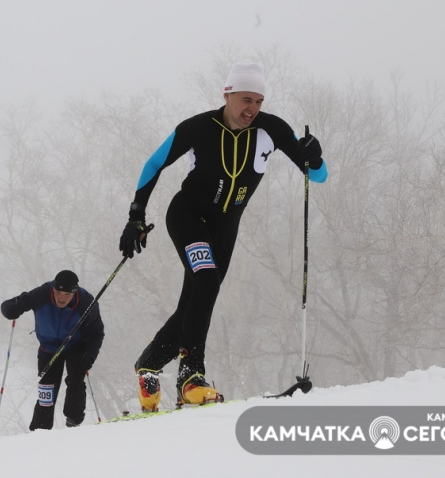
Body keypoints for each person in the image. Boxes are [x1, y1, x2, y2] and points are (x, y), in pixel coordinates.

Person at [118, 61, 328, 411]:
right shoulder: (199, 127)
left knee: (198, 298)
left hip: (225, 227)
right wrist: (135, 216)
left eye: (259, 101)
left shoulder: (272, 129)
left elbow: (316, 176)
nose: (253, 109)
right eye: (246, 99)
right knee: (206, 278)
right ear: (227, 94)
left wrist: (315, 156)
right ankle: (190, 376)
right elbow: (154, 164)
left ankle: (149, 364)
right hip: (187, 215)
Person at [0, 270, 105, 430]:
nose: (61, 298)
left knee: (75, 381)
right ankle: (40, 430)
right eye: (58, 292)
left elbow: (96, 332)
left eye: (66, 294)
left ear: (74, 292)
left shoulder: (86, 302)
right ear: (53, 289)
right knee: (46, 392)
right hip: (48, 348)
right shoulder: (42, 294)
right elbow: (9, 304)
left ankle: (74, 421)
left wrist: (90, 355)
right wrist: (10, 310)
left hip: (75, 347)